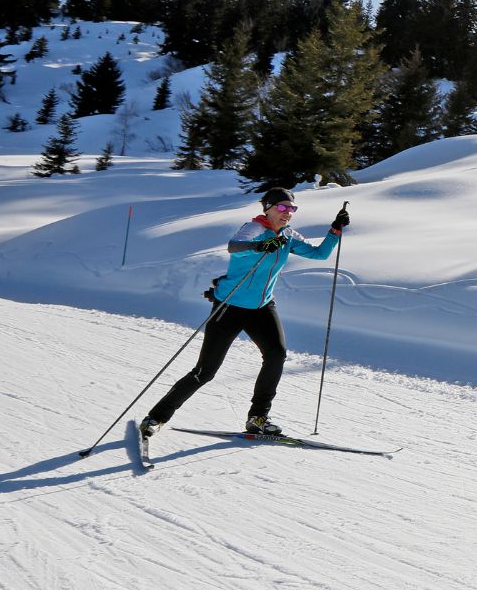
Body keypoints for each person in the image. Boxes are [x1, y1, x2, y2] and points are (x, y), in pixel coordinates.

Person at [140, 188, 349, 439]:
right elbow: (234, 247)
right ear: (268, 208)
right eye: (282, 208)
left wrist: (335, 230)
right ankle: (156, 417)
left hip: (261, 308)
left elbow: (320, 254)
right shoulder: (253, 228)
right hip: (229, 306)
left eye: (291, 209)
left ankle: (258, 418)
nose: (287, 213)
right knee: (205, 372)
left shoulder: (288, 236)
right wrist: (261, 245)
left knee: (276, 355)